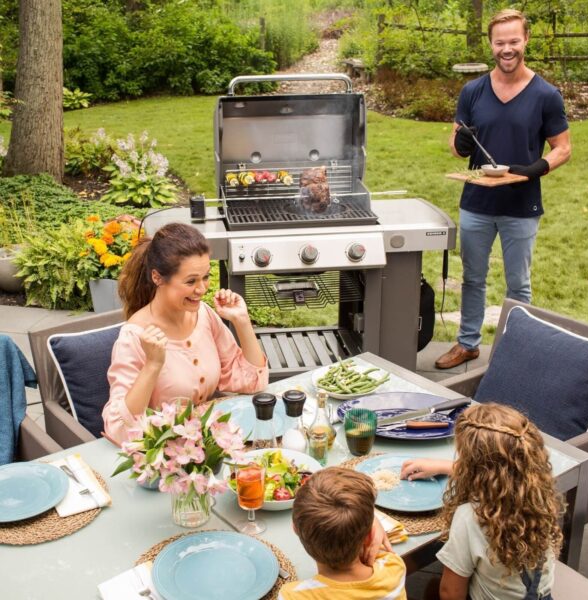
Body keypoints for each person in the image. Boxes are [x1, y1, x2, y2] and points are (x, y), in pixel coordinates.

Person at [436, 8, 571, 369]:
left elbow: (563, 147)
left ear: (525, 40)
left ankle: (515, 351)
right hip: (476, 201)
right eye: (500, 42)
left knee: (518, 285)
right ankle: (467, 343)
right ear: (491, 44)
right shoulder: (473, 91)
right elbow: (454, 143)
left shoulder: (546, 95)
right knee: (473, 279)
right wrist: (461, 143)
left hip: (521, 204)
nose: (507, 49)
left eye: (514, 41)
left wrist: (536, 168)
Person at [102, 222, 268, 444]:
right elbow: (119, 431)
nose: (202, 289)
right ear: (158, 277)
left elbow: (253, 383)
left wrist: (242, 321)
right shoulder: (134, 337)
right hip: (166, 459)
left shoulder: (204, 315)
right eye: (191, 281)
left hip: (211, 444)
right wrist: (152, 364)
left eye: (206, 277)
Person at [400, 403, 563, 600]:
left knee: (432, 590)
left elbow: (450, 593)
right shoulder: (538, 493)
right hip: (541, 595)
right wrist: (442, 466)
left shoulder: (471, 517)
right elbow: (501, 469)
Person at [279, 467, 406, 599]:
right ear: (369, 536)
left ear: (295, 528)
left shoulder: (291, 596)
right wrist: (371, 524)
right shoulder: (394, 568)